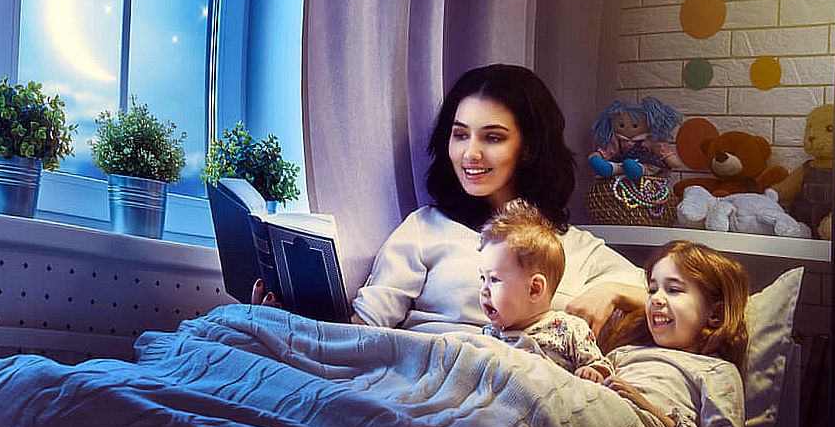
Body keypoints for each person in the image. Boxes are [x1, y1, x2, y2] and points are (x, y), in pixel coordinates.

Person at [255, 63, 645, 333]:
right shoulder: (425, 229)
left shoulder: (573, 246)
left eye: (492, 137)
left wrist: (609, 291)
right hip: (423, 379)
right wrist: (283, 324)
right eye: (460, 135)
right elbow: (365, 329)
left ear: (528, 149)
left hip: (527, 393)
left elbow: (657, 291)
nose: (470, 154)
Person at [597, 240, 750, 427]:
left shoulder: (715, 371)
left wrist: (654, 415)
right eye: (652, 289)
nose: (656, 299)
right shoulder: (622, 354)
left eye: (674, 290)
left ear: (714, 313)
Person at [477, 199, 613, 382]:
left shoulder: (568, 328)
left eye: (494, 279)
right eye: (483, 279)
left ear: (534, 289)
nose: (484, 291)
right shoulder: (490, 335)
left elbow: (600, 365)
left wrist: (592, 371)